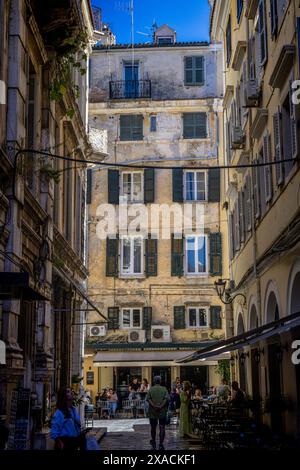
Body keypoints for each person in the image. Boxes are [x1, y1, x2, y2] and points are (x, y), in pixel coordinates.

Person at [146, 376, 169, 451]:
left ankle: (153, 441)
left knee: (153, 427)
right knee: (162, 427)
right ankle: (161, 444)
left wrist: (154, 406)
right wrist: (160, 406)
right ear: (160, 381)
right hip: (162, 411)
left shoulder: (151, 389)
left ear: (154, 381)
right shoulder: (164, 389)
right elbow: (166, 399)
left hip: (153, 411)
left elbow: (148, 399)